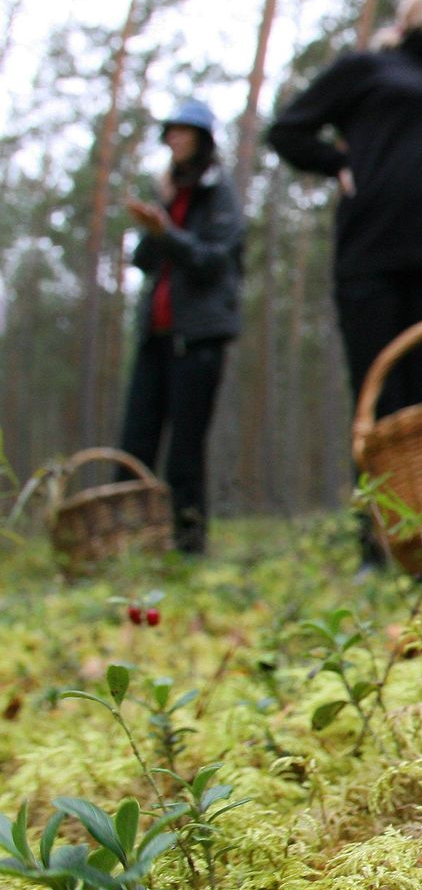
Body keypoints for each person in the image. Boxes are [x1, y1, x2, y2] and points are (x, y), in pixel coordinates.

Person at [265, 0, 422, 564]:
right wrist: (336, 161)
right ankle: (376, 544)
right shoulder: (367, 70)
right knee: (377, 393)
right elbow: (289, 130)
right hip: (372, 248)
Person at [118, 97, 244, 556]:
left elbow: (213, 261)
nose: (174, 139)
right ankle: (125, 542)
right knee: (136, 441)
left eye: (183, 131)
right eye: (170, 131)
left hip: (200, 337)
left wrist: (166, 229)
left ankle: (189, 543)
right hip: (156, 333)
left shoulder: (219, 193)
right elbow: (143, 260)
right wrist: (160, 219)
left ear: (202, 138)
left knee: (185, 449)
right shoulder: (167, 193)